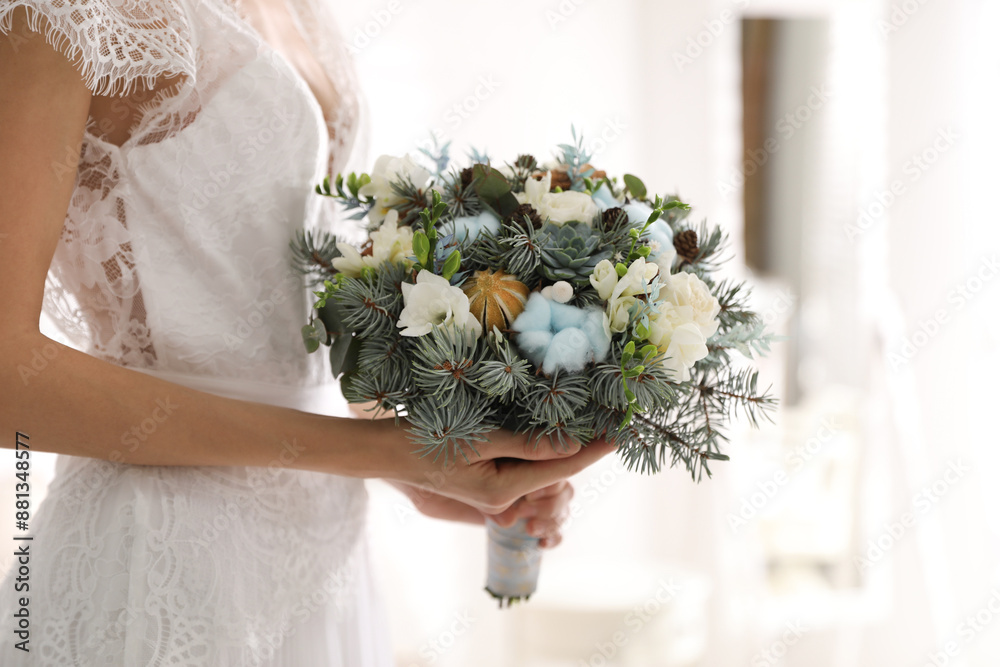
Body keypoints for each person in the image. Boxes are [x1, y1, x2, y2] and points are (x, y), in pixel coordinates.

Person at [0, 1, 614, 664]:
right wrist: (381, 450)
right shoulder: (65, 14)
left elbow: (289, 309)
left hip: (326, 550)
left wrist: (430, 464)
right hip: (160, 558)